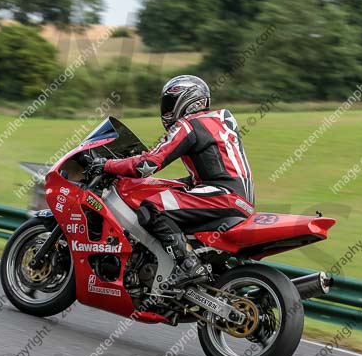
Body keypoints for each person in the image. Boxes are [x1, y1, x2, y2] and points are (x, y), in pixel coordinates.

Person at [92, 75, 255, 287]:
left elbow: (147, 165)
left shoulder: (189, 125)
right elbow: (216, 167)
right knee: (168, 194)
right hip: (239, 198)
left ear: (187, 101)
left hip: (222, 194)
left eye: (170, 103)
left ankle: (189, 266)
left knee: (152, 208)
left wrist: (106, 164)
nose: (167, 111)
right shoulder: (222, 120)